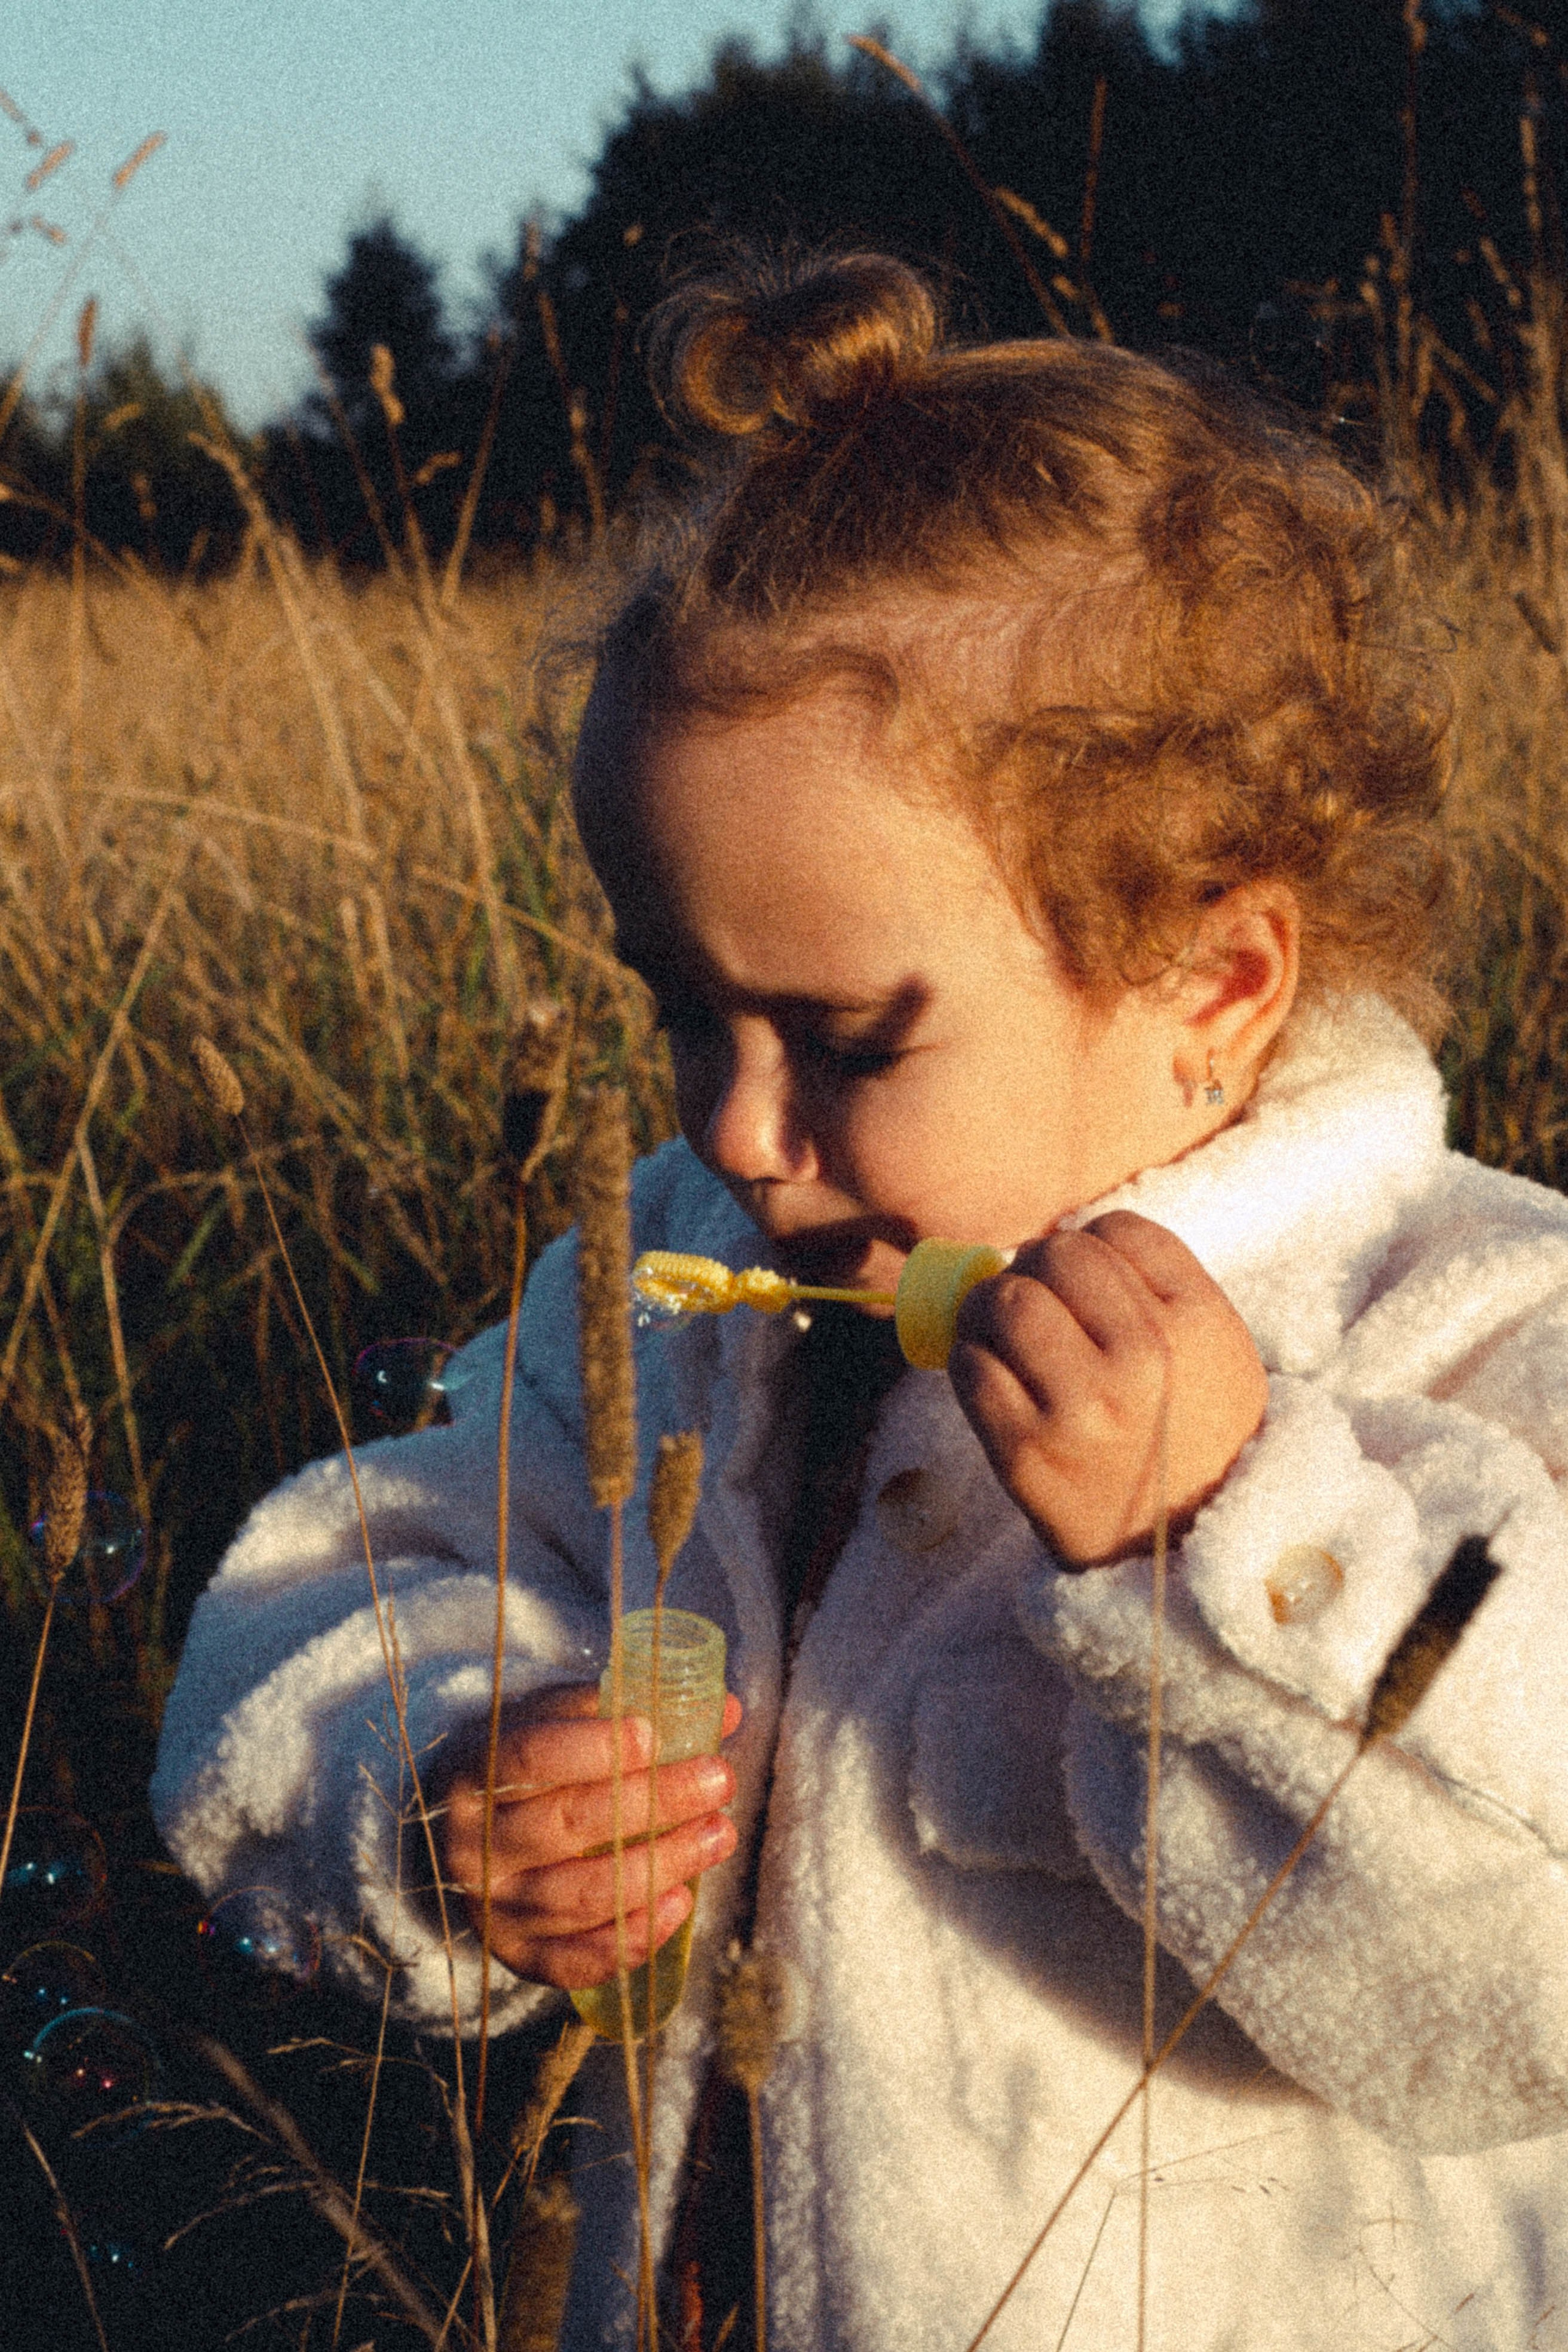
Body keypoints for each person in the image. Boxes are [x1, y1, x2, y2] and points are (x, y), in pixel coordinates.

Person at [153, 254, 1568, 2351]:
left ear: (1218, 985)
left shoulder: (1463, 1327)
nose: (736, 1123)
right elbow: (347, 1575)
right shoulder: (668, 1305)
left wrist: (1232, 1539)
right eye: (680, 1007)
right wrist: (448, 1784)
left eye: (843, 1036)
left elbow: (1515, 2011)